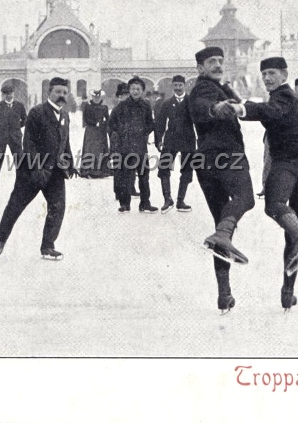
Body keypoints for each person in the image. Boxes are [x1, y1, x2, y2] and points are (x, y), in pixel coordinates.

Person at [242, 56, 298, 312]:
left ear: (285, 76)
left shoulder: (284, 96)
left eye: (272, 73)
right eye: (263, 74)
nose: (267, 78)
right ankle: (288, 292)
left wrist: (241, 109)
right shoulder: (283, 98)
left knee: (274, 205)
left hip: (290, 162)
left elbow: (270, 111)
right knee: (293, 236)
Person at [187, 46, 254, 313]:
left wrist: (230, 98)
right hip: (224, 156)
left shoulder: (220, 88)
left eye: (220, 61)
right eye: (211, 61)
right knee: (245, 199)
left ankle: (224, 294)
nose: (217, 65)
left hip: (206, 163)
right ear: (200, 68)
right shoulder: (203, 89)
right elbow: (204, 106)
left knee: (220, 235)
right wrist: (219, 107)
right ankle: (223, 234)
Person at [0, 77, 76, 260]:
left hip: (54, 171)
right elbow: (29, 143)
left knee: (58, 207)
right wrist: (37, 169)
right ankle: (1, 239)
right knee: (16, 205)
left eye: (64, 92)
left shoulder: (65, 115)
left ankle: (47, 246)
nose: (61, 95)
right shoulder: (37, 113)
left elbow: (65, 141)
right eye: (58, 92)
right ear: (49, 93)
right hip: (31, 170)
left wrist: (70, 163)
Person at [108, 77, 158, 214]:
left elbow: (150, 123)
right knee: (126, 176)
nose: (135, 91)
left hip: (141, 147)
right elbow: (112, 124)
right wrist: (121, 136)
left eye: (138, 89)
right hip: (126, 147)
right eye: (133, 89)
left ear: (142, 91)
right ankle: (125, 204)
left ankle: (145, 204)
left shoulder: (146, 105)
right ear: (129, 90)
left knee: (144, 176)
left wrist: (144, 132)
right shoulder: (121, 107)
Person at [154, 75, 196, 213]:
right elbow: (160, 123)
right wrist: (158, 139)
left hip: (188, 140)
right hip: (171, 140)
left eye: (180, 85)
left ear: (184, 86)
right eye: (175, 85)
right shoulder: (166, 103)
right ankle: (167, 199)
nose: (178, 88)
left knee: (187, 170)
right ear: (172, 86)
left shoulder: (191, 102)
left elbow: (199, 122)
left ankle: (180, 200)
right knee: (163, 168)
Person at [0, 83, 28, 194]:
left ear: (13, 93)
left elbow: (25, 120)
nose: (8, 96)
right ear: (3, 95)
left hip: (15, 138)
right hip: (0, 140)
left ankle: (22, 187)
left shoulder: (19, 106)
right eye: (6, 94)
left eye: (10, 93)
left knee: (19, 163)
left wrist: (16, 128)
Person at [79, 89, 112, 178]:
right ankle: (88, 170)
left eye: (98, 97)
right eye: (95, 97)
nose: (96, 99)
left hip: (101, 132)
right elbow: (85, 119)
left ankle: (101, 170)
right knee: (90, 149)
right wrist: (94, 123)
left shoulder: (104, 107)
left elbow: (107, 119)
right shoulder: (87, 107)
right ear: (92, 97)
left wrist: (105, 125)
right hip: (91, 131)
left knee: (101, 149)